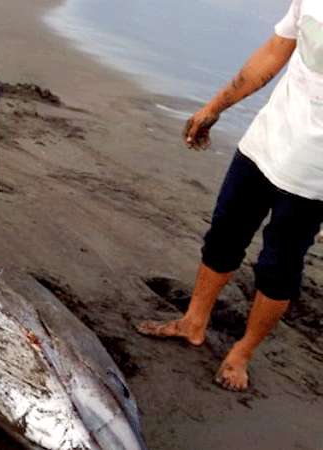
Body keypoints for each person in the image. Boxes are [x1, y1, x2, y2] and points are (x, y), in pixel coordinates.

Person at [137, 0, 323, 391]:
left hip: (314, 178)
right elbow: (274, 51)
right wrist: (215, 106)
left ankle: (242, 353)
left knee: (278, 266)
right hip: (263, 143)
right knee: (223, 234)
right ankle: (193, 322)